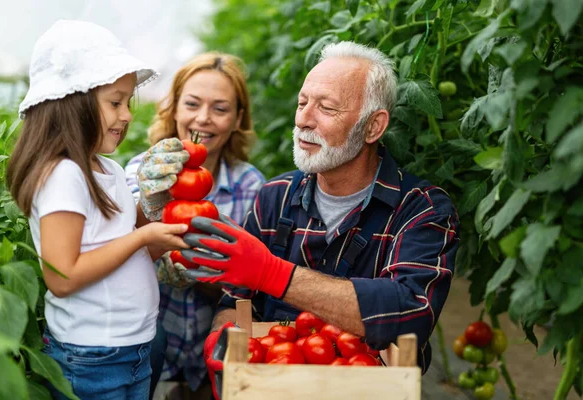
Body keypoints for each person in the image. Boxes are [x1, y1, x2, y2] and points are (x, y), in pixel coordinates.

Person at [179, 41, 460, 399]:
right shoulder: (275, 196)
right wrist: (226, 336)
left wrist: (273, 273)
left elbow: (410, 311)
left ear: (373, 127)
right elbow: (235, 302)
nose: (303, 119)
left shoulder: (422, 209)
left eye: (326, 107)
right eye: (302, 103)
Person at [6, 20, 191, 399]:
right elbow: (63, 276)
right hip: (92, 358)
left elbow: (138, 244)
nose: (127, 115)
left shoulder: (109, 169)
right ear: (72, 102)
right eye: (115, 102)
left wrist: (160, 205)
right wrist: (143, 235)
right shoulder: (63, 176)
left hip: (131, 349)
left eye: (127, 102)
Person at [124, 52, 265, 398]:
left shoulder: (251, 187)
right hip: (149, 346)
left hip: (212, 351)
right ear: (173, 107)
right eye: (192, 104)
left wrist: (209, 273)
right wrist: (150, 209)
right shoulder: (144, 172)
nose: (203, 119)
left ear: (237, 118)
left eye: (220, 108)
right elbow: (121, 255)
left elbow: (254, 288)